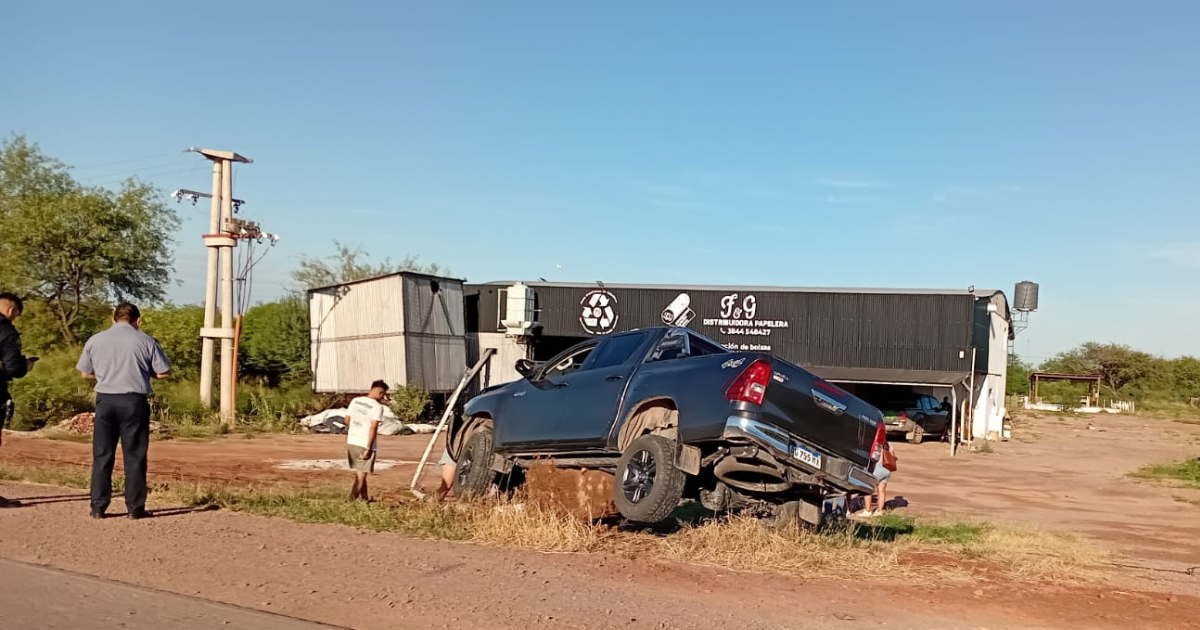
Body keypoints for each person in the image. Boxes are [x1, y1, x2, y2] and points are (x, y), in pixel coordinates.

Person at [77, 302, 171, 520]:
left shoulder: (95, 340)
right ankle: (135, 508)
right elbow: (164, 372)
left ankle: (98, 507)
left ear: (113, 319)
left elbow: (85, 373)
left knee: (102, 455)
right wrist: (144, 373)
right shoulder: (146, 341)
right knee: (134, 456)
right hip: (133, 402)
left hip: (105, 401)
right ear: (138, 320)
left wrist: (106, 374)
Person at [0, 293, 38, 508]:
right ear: (12, 310)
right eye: (16, 315)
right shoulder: (6, 330)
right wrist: (26, 366)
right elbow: (14, 368)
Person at [346, 380, 388, 502]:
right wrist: (368, 448)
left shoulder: (355, 401)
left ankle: (365, 499)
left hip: (352, 440)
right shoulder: (377, 407)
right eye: (383, 394)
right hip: (364, 442)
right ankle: (350, 502)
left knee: (360, 472)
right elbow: (373, 428)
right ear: (380, 393)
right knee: (361, 476)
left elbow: (347, 420)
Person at [857, 439, 897, 518]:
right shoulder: (888, 444)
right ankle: (879, 511)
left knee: (867, 490)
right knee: (881, 491)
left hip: (876, 470)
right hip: (886, 470)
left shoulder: (873, 444)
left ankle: (868, 511)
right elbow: (893, 456)